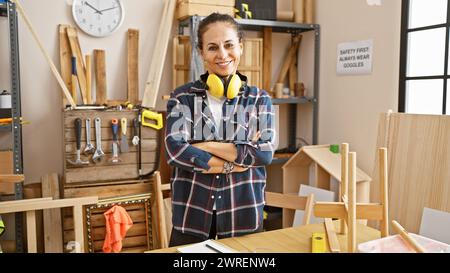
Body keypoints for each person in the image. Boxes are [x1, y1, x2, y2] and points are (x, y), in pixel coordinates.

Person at [165, 13, 276, 247]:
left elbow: (264, 154)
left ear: (240, 48)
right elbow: (175, 153)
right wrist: (236, 161)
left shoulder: (259, 100)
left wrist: (203, 146)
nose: (222, 55)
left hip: (243, 216)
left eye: (229, 45)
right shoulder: (182, 97)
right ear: (201, 52)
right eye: (213, 47)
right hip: (191, 219)